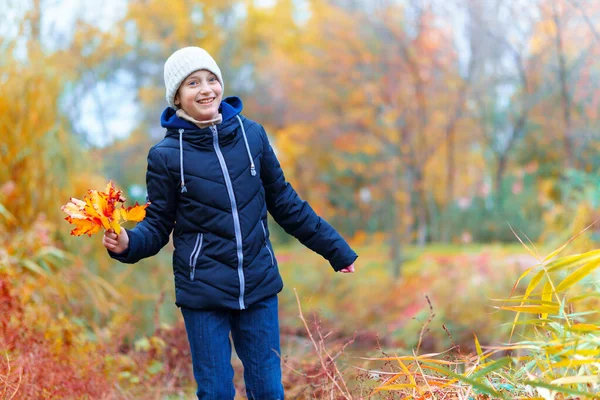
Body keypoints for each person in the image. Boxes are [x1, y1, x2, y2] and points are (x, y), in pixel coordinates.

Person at [102, 46, 358, 399]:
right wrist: (129, 244)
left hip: (258, 286)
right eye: (193, 83)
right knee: (216, 393)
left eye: (211, 79)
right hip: (203, 291)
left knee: (268, 391)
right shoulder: (164, 157)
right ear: (177, 96)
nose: (206, 89)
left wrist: (336, 249)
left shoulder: (252, 135)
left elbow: (284, 202)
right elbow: (159, 223)